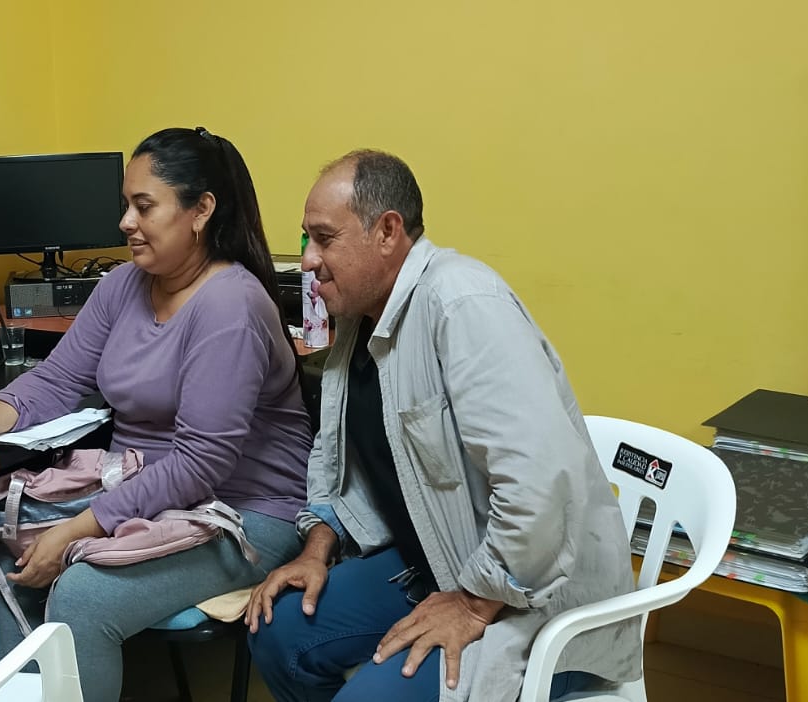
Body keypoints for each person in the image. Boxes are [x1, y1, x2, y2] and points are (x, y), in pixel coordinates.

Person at [0, 127, 313, 702]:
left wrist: (75, 530)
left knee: (82, 596)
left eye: (144, 206)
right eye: (125, 205)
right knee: (14, 542)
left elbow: (200, 465)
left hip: (244, 512)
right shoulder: (122, 285)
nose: (125, 223)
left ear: (201, 210)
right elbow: (59, 379)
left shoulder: (229, 306)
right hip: (148, 494)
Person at [244, 150, 643, 702]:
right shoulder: (358, 324)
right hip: (434, 561)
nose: (308, 259)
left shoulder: (464, 305)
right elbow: (339, 465)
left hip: (529, 597)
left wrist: (473, 604)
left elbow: (539, 485)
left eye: (324, 239)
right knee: (277, 632)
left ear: (388, 232)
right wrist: (317, 547)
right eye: (306, 238)